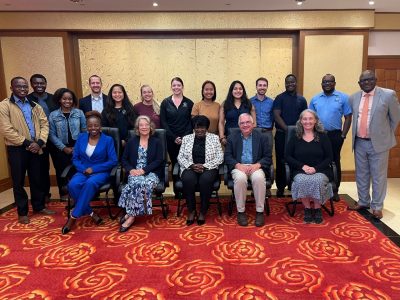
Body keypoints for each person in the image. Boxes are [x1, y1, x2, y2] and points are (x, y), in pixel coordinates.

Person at [0, 77, 55, 224]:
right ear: (12, 88)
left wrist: (40, 142)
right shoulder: (4, 106)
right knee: (18, 181)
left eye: (25, 86)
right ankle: (22, 212)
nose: (23, 89)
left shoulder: (35, 105)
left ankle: (39, 206)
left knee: (37, 178)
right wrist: (27, 143)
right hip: (17, 149)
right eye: (19, 87)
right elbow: (6, 130)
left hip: (37, 147)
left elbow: (45, 125)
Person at [348, 70, 400, 220]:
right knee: (361, 174)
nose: (367, 82)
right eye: (363, 81)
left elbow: (395, 118)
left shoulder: (388, 95)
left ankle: (377, 206)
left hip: (379, 143)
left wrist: (383, 134)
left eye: (370, 79)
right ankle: (363, 201)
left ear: (375, 80)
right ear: (359, 83)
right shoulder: (354, 97)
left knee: (379, 175)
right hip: (359, 142)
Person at [61, 111, 118, 234]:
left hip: (101, 172)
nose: (93, 128)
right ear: (87, 127)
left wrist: (94, 169)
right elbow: (75, 158)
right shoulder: (81, 138)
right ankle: (92, 213)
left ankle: (73, 217)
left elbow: (113, 161)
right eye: (90, 126)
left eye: (96, 125)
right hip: (83, 171)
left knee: (90, 183)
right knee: (72, 185)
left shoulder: (108, 140)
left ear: (100, 126)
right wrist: (83, 169)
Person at [285, 109, 334, 224]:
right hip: (300, 170)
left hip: (321, 170)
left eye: (310, 119)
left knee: (317, 180)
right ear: (300, 121)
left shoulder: (323, 136)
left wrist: (315, 168)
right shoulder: (295, 136)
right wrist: (302, 166)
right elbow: (287, 156)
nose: (308, 121)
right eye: (305, 119)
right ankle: (307, 208)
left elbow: (329, 157)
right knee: (302, 180)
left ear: (316, 120)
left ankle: (317, 209)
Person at [224, 113, 272, 227]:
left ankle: (260, 211)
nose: (245, 125)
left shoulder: (262, 137)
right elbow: (227, 156)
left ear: (253, 123)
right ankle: (241, 211)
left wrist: (257, 165)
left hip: (256, 166)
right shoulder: (232, 137)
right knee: (240, 178)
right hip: (239, 166)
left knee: (259, 178)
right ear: (238, 125)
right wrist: (237, 165)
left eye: (247, 122)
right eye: (242, 123)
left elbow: (268, 157)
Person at [309, 74, 352, 199]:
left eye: (329, 82)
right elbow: (309, 117)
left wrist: (343, 135)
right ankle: (319, 188)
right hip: (318, 135)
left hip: (335, 135)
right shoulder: (315, 99)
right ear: (321, 84)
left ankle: (335, 190)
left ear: (334, 83)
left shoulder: (343, 97)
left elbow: (348, 117)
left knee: (334, 161)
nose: (327, 84)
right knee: (318, 160)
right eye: (324, 82)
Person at [118, 115, 163, 232]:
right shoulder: (132, 142)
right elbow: (124, 159)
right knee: (137, 183)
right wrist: (130, 170)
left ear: (150, 126)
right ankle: (131, 215)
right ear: (137, 128)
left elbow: (159, 160)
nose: (144, 127)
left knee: (142, 184)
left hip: (151, 172)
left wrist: (144, 170)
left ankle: (130, 216)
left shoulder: (157, 142)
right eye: (141, 125)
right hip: (134, 171)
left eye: (146, 124)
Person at [177, 115, 223, 225]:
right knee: (188, 179)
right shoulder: (187, 139)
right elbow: (180, 157)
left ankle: (203, 211)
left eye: (202, 127)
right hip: (190, 167)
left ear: (207, 128)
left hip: (209, 167)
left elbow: (220, 157)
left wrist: (205, 166)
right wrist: (191, 165)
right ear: (193, 128)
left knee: (205, 180)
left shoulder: (214, 138)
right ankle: (191, 210)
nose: (199, 130)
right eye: (197, 127)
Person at [48, 88, 86, 200]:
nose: (67, 101)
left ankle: (78, 193)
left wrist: (78, 147)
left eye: (70, 99)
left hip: (78, 147)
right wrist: (64, 148)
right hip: (60, 149)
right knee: (61, 172)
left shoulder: (79, 113)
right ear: (59, 100)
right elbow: (51, 134)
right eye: (64, 99)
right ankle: (64, 195)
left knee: (78, 170)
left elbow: (84, 130)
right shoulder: (53, 115)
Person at [273, 74, 307, 197]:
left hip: (297, 135)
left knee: (295, 160)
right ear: (285, 83)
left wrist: (295, 131)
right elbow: (276, 115)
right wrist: (287, 130)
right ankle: (280, 187)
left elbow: (304, 117)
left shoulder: (302, 100)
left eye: (292, 82)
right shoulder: (279, 98)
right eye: (287, 82)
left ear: (296, 83)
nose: (290, 84)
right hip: (282, 135)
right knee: (281, 160)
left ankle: (293, 185)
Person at [160, 77, 194, 197]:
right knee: (175, 163)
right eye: (174, 85)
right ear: (171, 87)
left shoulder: (189, 103)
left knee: (186, 163)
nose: (176, 87)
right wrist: (174, 137)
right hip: (170, 139)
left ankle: (186, 189)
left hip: (186, 139)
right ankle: (177, 191)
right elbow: (163, 122)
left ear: (182, 87)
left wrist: (184, 137)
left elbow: (191, 122)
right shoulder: (165, 102)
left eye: (178, 85)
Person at [28, 74, 59, 202]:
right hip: (39, 139)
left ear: (46, 84)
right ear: (32, 84)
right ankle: (45, 193)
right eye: (36, 83)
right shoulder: (28, 99)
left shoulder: (53, 98)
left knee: (59, 164)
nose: (39, 86)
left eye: (42, 83)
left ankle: (63, 191)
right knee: (42, 167)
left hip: (54, 137)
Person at [218, 80, 256, 146]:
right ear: (231, 91)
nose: (238, 91)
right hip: (229, 138)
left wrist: (250, 135)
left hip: (246, 138)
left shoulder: (249, 103)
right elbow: (221, 122)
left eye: (240, 89)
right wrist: (222, 137)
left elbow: (254, 122)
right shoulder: (225, 104)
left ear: (243, 91)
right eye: (235, 89)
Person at [250, 77, 274, 152]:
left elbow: (273, 117)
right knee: (255, 154)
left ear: (267, 87)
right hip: (254, 132)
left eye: (264, 85)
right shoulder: (249, 102)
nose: (262, 87)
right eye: (260, 85)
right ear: (256, 87)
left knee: (268, 154)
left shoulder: (271, 102)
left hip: (268, 133)